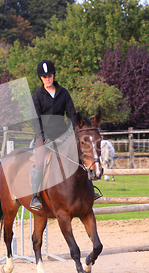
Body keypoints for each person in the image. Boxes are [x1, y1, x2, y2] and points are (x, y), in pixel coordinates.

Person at [29, 60, 101, 210]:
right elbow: (35, 120)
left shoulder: (63, 93)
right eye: (44, 77)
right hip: (44, 137)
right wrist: (43, 137)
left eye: (49, 76)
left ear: (54, 76)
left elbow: (71, 114)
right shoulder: (37, 97)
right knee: (41, 161)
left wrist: (75, 132)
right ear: (40, 78)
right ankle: (35, 196)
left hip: (63, 136)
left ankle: (90, 189)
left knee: (80, 156)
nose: (47, 79)